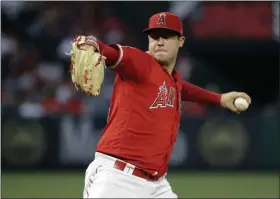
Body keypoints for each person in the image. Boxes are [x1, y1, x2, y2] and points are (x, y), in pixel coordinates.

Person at [82, 12, 251, 198]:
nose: (160, 41)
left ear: (181, 41)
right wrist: (95, 46)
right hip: (117, 179)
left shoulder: (171, 79)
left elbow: (182, 89)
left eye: (167, 36)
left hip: (157, 185)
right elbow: (115, 55)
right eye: (155, 36)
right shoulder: (140, 63)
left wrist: (219, 99)